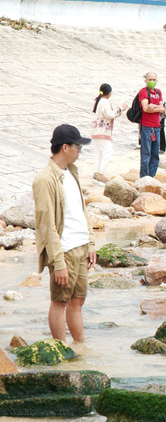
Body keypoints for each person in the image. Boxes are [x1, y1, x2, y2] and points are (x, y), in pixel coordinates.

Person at [32, 125, 97, 345]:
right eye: (78, 146)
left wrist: (91, 243)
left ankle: (80, 348)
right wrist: (58, 262)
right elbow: (46, 225)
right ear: (66, 147)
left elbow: (82, 210)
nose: (80, 151)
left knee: (78, 300)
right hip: (64, 248)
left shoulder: (72, 172)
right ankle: (60, 349)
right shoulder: (45, 179)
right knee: (59, 301)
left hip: (81, 245)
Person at [90, 83, 126, 180]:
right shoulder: (104, 102)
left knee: (99, 153)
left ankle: (96, 173)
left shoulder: (99, 101)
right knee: (107, 152)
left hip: (96, 131)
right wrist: (120, 108)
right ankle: (100, 173)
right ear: (109, 93)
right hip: (102, 131)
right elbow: (109, 115)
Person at [138, 71, 164, 178]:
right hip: (147, 127)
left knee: (155, 154)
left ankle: (151, 176)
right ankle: (144, 177)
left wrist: (153, 106)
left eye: (154, 80)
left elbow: (162, 109)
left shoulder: (159, 92)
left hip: (156, 127)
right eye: (150, 79)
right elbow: (145, 108)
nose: (152, 81)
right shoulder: (143, 92)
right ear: (146, 80)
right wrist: (155, 107)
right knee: (146, 154)